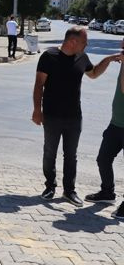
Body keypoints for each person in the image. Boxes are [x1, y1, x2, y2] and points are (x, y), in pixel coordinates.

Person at [32, 26, 122, 207]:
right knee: (50, 152)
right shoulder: (49, 56)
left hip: (74, 116)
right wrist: (37, 110)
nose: (87, 45)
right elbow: (38, 85)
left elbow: (94, 73)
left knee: (71, 155)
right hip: (52, 115)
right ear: (73, 41)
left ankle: (69, 190)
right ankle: (50, 186)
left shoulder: (82, 58)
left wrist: (109, 59)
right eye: (84, 42)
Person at [85, 38, 124, 219]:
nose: (122, 44)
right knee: (103, 158)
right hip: (116, 124)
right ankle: (107, 192)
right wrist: (110, 60)